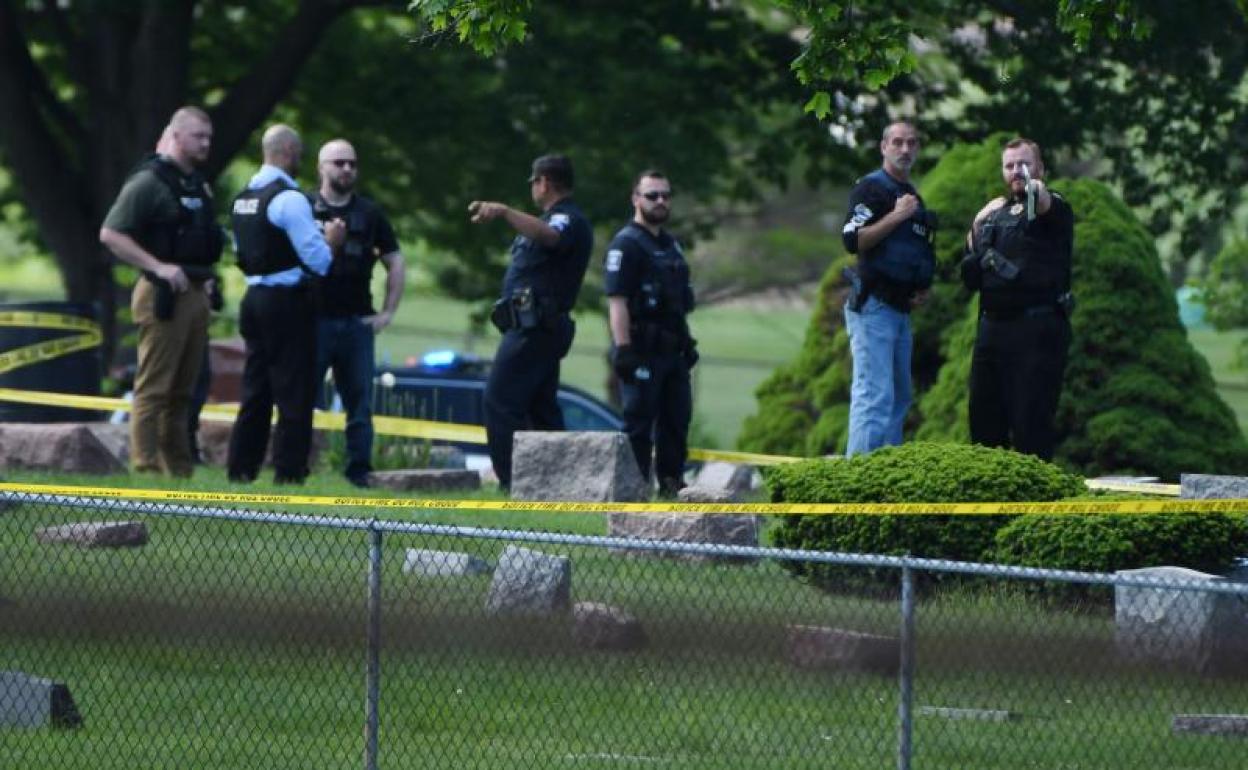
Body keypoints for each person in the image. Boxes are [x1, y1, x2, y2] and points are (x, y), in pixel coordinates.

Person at [100, 106, 223, 477]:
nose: (205, 144)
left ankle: (179, 472)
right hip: (162, 297)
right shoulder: (149, 182)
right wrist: (157, 267)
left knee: (183, 393)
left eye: (208, 138)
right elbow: (111, 234)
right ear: (177, 135)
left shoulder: (197, 184)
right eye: (198, 136)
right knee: (154, 389)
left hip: (196, 293)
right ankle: (145, 468)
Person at [226, 124, 344, 484]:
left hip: (253, 299)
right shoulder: (289, 199)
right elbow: (319, 261)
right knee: (294, 391)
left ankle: (241, 469)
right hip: (287, 302)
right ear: (289, 152)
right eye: (299, 154)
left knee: (255, 389)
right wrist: (333, 241)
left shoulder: (245, 197)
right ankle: (289, 473)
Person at [468, 155, 593, 490]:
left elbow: (551, 237)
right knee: (542, 410)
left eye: (534, 183)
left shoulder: (568, 219)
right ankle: (560, 484)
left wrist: (505, 212)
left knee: (499, 401)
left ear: (544, 182)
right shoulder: (546, 219)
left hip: (538, 328)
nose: (533, 189)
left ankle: (513, 483)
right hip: (529, 327)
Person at [961, 137, 1074, 460]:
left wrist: (1034, 186)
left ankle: (1033, 505)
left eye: (1023, 164)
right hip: (992, 330)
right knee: (983, 428)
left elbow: (1041, 199)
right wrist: (978, 222)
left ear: (1040, 168)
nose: (1016, 171)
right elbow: (969, 264)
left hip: (1036, 330)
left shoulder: (1053, 206)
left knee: (1030, 427)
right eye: (1009, 165)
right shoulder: (995, 214)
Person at [310, 139, 405, 488]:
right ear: (322, 167)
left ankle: (359, 473)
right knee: (300, 400)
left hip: (356, 323)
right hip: (313, 321)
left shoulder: (370, 213)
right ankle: (294, 469)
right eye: (339, 163)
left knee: (360, 407)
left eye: (352, 163)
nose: (347, 169)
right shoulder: (303, 207)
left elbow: (395, 260)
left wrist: (388, 312)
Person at [840, 120, 937, 456]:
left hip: (900, 310)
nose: (905, 149)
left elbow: (915, 251)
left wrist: (921, 287)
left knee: (899, 396)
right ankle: (859, 488)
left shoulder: (914, 197)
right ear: (884, 147)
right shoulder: (870, 190)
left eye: (911, 143)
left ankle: (885, 479)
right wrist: (896, 216)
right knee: (874, 394)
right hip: (873, 307)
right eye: (897, 142)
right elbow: (853, 240)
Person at [604, 170, 697, 497]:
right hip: (641, 350)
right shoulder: (626, 245)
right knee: (639, 424)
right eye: (652, 195)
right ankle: (632, 493)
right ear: (636, 199)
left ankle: (671, 489)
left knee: (676, 423)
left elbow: (678, 303)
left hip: (673, 353)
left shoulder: (671, 245)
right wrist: (624, 349)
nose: (660, 201)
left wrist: (686, 342)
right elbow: (617, 302)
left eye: (665, 195)